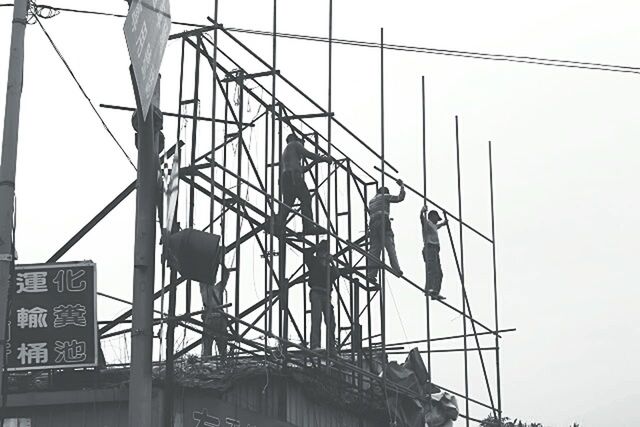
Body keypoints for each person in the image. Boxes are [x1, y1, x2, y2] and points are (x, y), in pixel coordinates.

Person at [277, 133, 332, 234]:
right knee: (306, 197)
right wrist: (325, 159)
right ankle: (308, 226)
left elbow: (302, 169)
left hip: (286, 178)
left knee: (288, 203)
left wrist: (315, 162)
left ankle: (278, 223)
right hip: (294, 176)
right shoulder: (294, 144)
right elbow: (308, 154)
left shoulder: (287, 153)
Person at [303, 239, 340, 351]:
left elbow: (337, 275)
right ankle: (315, 345)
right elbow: (306, 253)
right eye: (322, 252)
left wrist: (332, 262)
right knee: (316, 318)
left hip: (326, 295)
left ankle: (331, 347)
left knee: (331, 322)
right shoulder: (313, 262)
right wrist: (316, 247)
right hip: (316, 292)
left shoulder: (328, 268)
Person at [366, 179, 405, 281]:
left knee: (374, 249)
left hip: (373, 224)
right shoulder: (385, 196)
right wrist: (402, 186)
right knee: (390, 245)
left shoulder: (371, 201)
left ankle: (371, 274)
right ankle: (396, 269)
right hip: (383, 222)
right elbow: (400, 198)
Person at [200, 266, 230, 359]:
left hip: (218, 318)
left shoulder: (216, 288)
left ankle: (221, 361)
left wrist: (221, 263)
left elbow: (226, 275)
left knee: (221, 344)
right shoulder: (204, 288)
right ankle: (208, 362)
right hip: (211, 318)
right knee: (208, 344)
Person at [420, 206, 447, 300]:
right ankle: (429, 288)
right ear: (432, 216)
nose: (437, 221)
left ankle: (435, 291)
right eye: (437, 218)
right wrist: (422, 212)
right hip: (429, 248)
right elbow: (422, 219)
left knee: (439, 273)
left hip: (435, 250)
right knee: (432, 269)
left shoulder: (434, 226)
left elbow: (438, 226)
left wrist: (444, 223)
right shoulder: (427, 223)